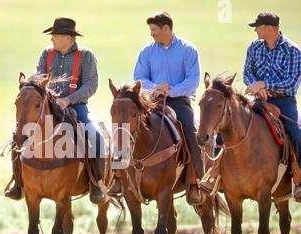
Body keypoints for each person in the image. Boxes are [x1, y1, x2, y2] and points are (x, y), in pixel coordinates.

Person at [5, 17, 108, 204]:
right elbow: (38, 77)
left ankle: (97, 184)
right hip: (47, 106)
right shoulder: (46, 53)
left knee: (96, 135)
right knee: (17, 134)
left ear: (69, 38)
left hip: (77, 106)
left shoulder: (86, 56)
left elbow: (91, 85)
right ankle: (18, 184)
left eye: (55, 35)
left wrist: (68, 99)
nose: (52, 39)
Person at [201, 12, 301, 201]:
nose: (255, 29)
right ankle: (215, 174)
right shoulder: (254, 47)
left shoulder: (292, 50)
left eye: (258, 26)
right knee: (228, 129)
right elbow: (247, 72)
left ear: (270, 28)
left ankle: (299, 178)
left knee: (295, 134)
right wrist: (255, 86)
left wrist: (265, 85)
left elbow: (292, 83)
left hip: (284, 101)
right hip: (256, 100)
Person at [109, 12, 204, 205]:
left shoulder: (188, 50)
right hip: (151, 102)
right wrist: (156, 87)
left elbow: (193, 81)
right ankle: (118, 178)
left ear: (166, 28)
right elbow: (140, 78)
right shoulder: (146, 52)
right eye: (150, 30)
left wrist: (171, 89)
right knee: (125, 129)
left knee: (191, 134)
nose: (151, 34)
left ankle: (196, 182)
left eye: (154, 30)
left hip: (179, 101)